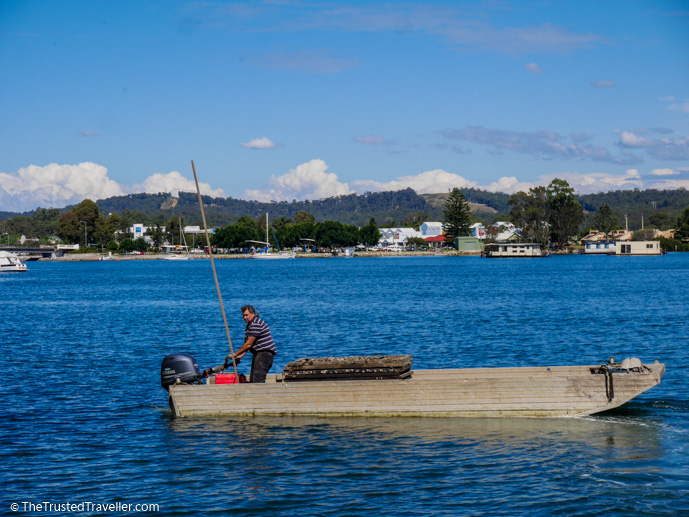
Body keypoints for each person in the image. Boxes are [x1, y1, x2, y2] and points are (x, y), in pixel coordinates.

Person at [227, 305, 276, 383]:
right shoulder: (250, 325)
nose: (244, 318)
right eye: (243, 316)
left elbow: (248, 344)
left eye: (246, 315)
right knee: (253, 380)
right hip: (259, 355)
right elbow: (246, 346)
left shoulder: (255, 324)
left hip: (264, 355)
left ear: (253, 313)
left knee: (257, 381)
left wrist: (234, 354)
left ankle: (259, 394)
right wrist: (238, 358)